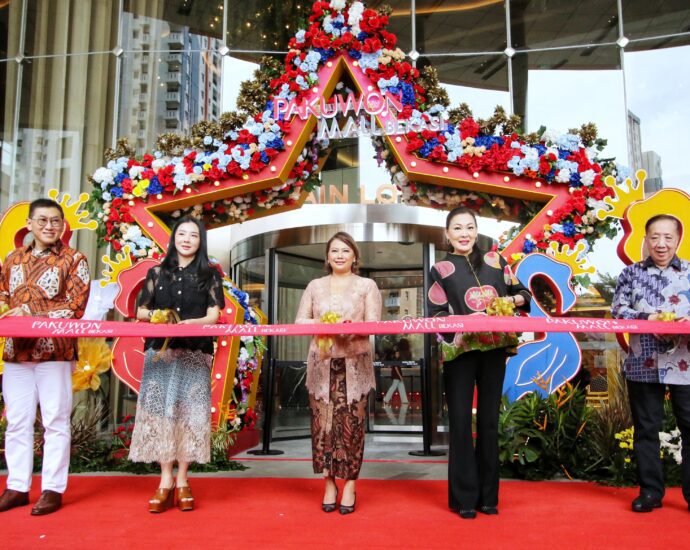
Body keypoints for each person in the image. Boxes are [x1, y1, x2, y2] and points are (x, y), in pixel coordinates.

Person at [427, 206, 531, 519]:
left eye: (469, 227)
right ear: (447, 234)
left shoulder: (497, 260)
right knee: (460, 423)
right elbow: (436, 315)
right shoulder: (440, 269)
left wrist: (508, 301)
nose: (464, 234)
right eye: (457, 228)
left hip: (494, 350)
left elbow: (524, 293)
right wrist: (463, 323)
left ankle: (489, 497)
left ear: (476, 230)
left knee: (488, 422)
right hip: (460, 354)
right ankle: (464, 499)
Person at [0, 198, 91, 516]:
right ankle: (17, 486)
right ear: (29, 223)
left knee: (55, 420)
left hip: (55, 351)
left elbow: (75, 306)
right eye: (42, 220)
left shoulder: (74, 259)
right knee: (17, 422)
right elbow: (2, 296)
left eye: (55, 221)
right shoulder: (12, 259)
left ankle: (53, 489)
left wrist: (27, 311)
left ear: (63, 225)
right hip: (16, 353)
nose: (49, 226)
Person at [128, 216, 224, 513]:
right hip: (160, 353)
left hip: (194, 352)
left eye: (193, 235)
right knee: (161, 414)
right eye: (181, 234)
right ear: (173, 239)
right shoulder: (156, 272)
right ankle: (165, 479)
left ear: (200, 241)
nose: (186, 239)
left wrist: (195, 323)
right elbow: (140, 311)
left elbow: (214, 314)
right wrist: (158, 315)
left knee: (189, 414)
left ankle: (183, 479)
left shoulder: (210, 274)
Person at [295, 231, 381, 515]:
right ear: (327, 257)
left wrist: (348, 326)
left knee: (352, 428)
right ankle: (328, 481)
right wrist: (324, 323)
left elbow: (374, 325)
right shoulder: (315, 286)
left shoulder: (367, 285)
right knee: (323, 427)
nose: (340, 255)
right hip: (322, 365)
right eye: (334, 251)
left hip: (354, 365)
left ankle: (350, 484)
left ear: (355, 256)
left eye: (345, 250)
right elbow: (300, 321)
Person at [611, 214, 690, 513]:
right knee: (646, 428)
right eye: (655, 237)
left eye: (668, 237)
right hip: (643, 361)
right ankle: (650, 492)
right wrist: (647, 319)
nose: (661, 244)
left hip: (686, 362)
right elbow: (618, 310)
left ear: (677, 240)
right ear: (645, 238)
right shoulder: (630, 274)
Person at [383, 339, 410, 405]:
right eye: (397, 353)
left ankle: (404, 401)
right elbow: (396, 368)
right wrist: (400, 376)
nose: (398, 354)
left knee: (401, 387)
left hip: (397, 375)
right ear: (395, 354)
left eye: (398, 353)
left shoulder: (397, 359)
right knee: (393, 387)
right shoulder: (395, 359)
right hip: (396, 375)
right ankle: (386, 399)